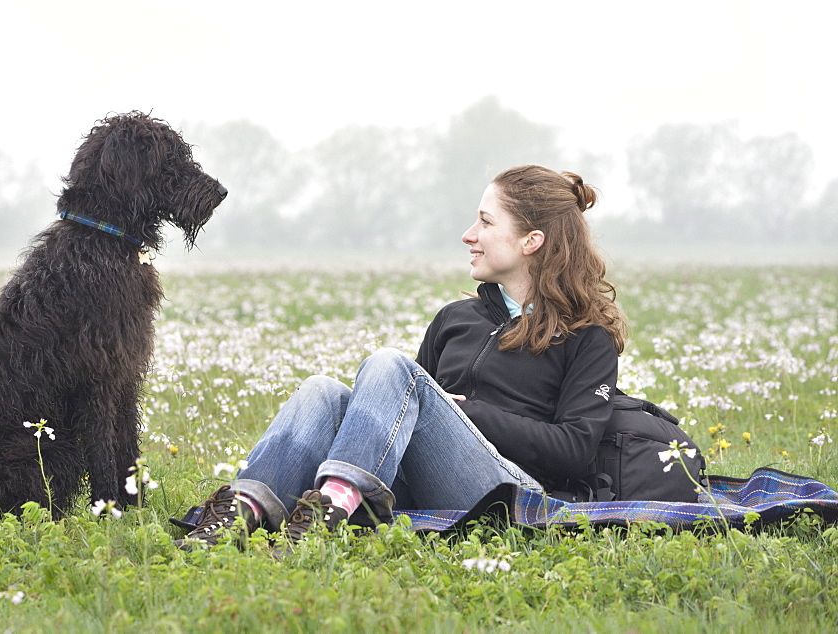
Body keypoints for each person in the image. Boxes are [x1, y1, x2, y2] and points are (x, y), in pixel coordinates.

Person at [176, 165, 627, 552]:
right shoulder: (455, 319)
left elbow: (574, 451)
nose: (469, 235)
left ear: (531, 240)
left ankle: (331, 509)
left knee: (392, 367)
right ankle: (237, 513)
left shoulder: (587, 337)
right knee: (323, 392)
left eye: (486, 223)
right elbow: (405, 428)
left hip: (514, 494)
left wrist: (470, 414)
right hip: (433, 487)